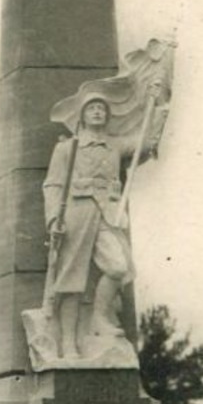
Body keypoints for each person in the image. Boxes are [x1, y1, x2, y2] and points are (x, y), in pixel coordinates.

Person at [42, 93, 135, 360]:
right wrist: (52, 219)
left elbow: (146, 141)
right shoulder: (66, 149)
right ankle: (69, 343)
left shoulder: (114, 146)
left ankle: (99, 319)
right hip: (76, 215)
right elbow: (52, 185)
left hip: (107, 215)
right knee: (72, 281)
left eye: (101, 108)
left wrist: (155, 97)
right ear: (81, 116)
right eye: (92, 108)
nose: (97, 112)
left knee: (118, 266)